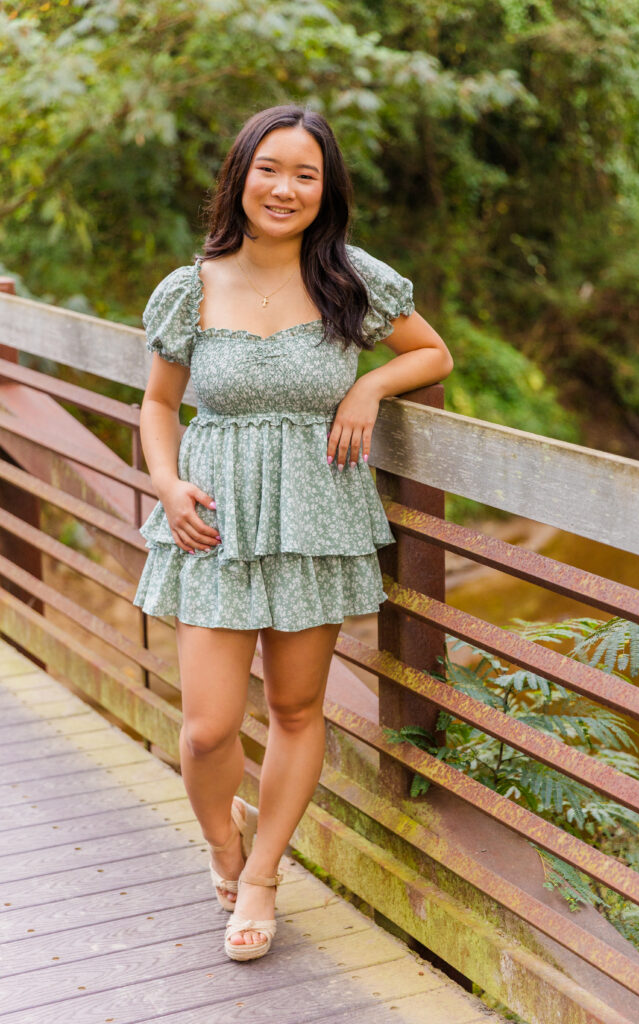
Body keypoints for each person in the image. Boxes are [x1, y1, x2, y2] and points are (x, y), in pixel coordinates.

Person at [132, 103, 453, 962]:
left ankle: (264, 877)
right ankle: (223, 841)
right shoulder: (189, 287)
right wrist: (165, 483)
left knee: (295, 707)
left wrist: (367, 387)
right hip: (214, 519)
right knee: (207, 727)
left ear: (325, 189)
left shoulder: (350, 277)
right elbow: (158, 404)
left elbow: (431, 352)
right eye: (269, 169)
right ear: (240, 177)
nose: (285, 188)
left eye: (305, 175)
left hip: (314, 516)